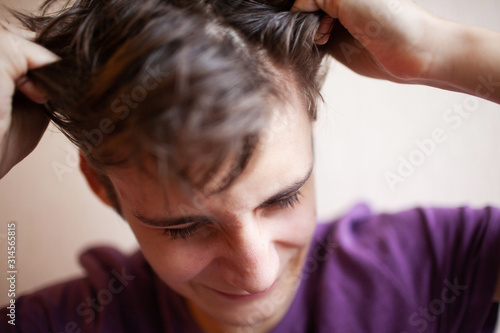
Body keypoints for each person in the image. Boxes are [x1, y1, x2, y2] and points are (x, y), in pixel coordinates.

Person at [0, 0, 499, 332]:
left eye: (283, 197)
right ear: (101, 185)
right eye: (186, 227)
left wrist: (442, 53)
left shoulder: (432, 264)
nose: (255, 271)